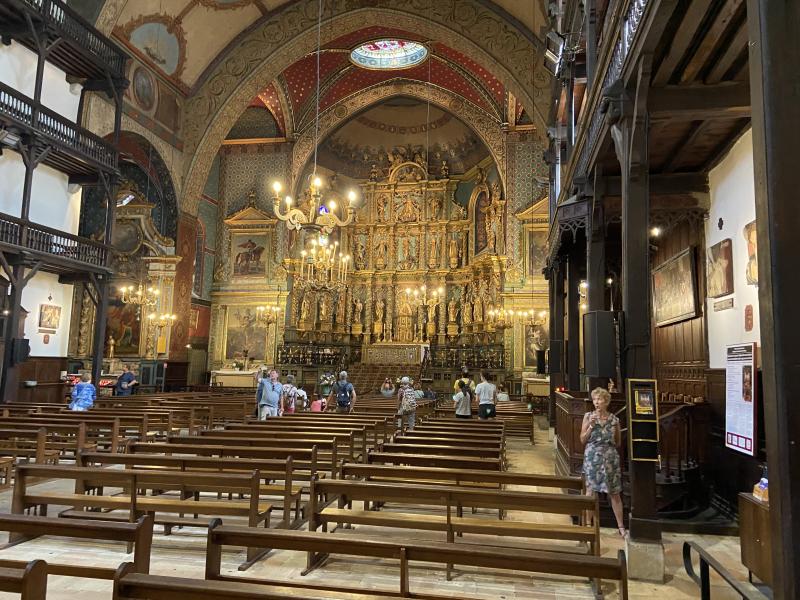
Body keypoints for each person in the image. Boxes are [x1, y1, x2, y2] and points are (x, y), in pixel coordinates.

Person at [580, 387, 626, 538]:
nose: (596, 402)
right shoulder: (588, 417)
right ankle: (588, 525)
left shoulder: (614, 420)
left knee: (615, 493)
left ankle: (621, 526)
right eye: (594, 399)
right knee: (590, 492)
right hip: (593, 458)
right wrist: (591, 426)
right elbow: (582, 439)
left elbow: (618, 442)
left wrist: (609, 450)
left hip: (610, 459)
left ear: (606, 401)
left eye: (599, 399)